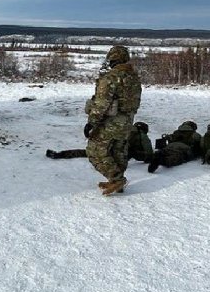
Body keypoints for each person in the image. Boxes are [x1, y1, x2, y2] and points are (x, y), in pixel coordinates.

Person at [84, 45, 142, 195]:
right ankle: (117, 180)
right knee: (118, 151)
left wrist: (92, 122)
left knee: (94, 151)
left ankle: (116, 179)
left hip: (112, 122)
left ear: (112, 59)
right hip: (127, 121)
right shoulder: (134, 78)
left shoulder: (111, 77)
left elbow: (102, 103)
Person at [46, 122, 153, 162]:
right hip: (121, 153)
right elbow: (149, 154)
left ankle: (60, 154)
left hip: (110, 147)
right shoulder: (142, 136)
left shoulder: (125, 129)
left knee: (87, 152)